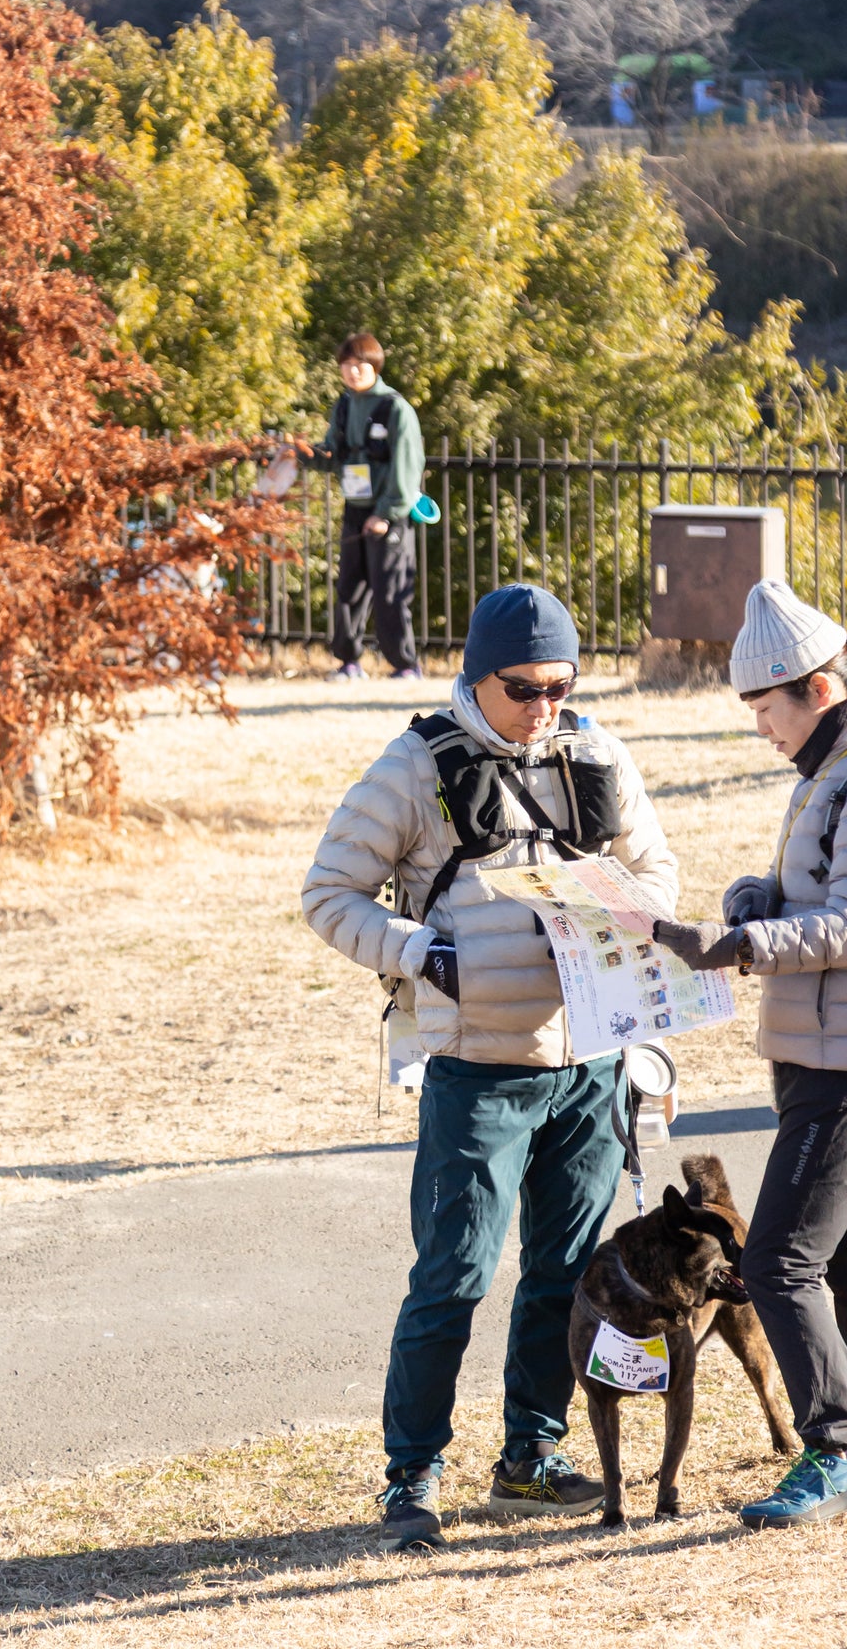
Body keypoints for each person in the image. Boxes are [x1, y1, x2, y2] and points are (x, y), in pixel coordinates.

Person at [302, 584, 679, 1551]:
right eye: (524, 688)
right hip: (477, 1067)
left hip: (588, 1059)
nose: (545, 705)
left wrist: (617, 914)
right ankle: (412, 1475)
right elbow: (329, 891)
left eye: (561, 684)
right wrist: (420, 953)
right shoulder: (415, 767)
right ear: (477, 675)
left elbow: (658, 871)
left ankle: (530, 1454)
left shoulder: (596, 753)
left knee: (562, 1272)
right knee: (454, 1276)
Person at [652, 579, 847, 1531]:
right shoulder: (834, 774)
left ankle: (836, 1450)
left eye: (763, 709)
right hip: (840, 1044)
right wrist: (757, 898)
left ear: (816, 688)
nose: (759, 730)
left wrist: (736, 946)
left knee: (774, 1260)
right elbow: (830, 897)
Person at [309, 332, 426, 681]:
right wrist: (301, 454)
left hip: (389, 511)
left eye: (359, 364)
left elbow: (408, 466)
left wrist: (386, 513)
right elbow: (333, 454)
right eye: (346, 364)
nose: (352, 371)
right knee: (349, 588)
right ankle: (348, 662)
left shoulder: (395, 408)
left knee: (390, 589)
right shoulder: (344, 405)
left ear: (374, 365)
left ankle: (405, 665)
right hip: (355, 506)